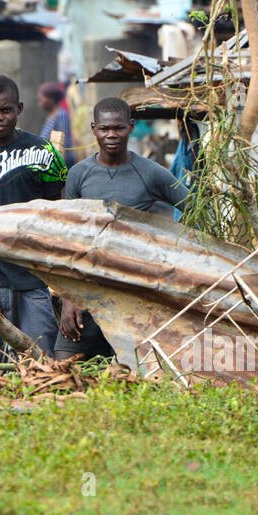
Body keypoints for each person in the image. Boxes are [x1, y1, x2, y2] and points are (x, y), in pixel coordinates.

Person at [56, 96, 190, 360]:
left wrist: (170, 255)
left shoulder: (150, 172)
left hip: (133, 291)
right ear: (94, 129)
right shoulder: (79, 174)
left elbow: (193, 208)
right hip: (87, 288)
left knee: (131, 372)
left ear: (130, 126)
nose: (111, 135)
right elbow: (68, 238)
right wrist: (67, 299)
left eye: (118, 128)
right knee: (65, 365)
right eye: (105, 129)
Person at [0, 74, 67, 361]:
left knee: (40, 360)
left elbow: (58, 207)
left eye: (5, 110)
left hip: (31, 272)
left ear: (19, 108)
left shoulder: (44, 153)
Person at [37, 81, 75, 166]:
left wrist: (60, 169)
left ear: (51, 99)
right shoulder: (52, 116)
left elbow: (63, 144)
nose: (40, 103)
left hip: (60, 165)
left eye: (41, 99)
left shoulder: (61, 115)